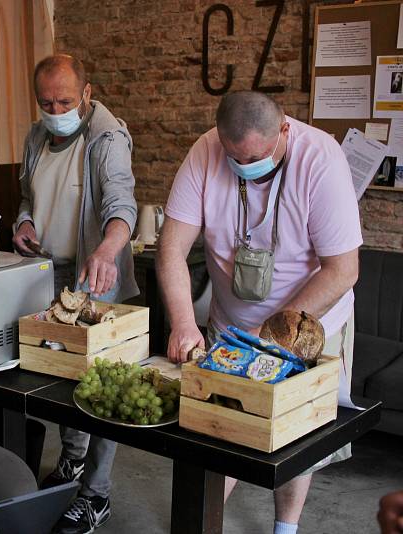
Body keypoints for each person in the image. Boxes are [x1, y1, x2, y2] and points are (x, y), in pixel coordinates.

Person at [157, 91, 361, 534]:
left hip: (307, 326)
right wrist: (184, 322)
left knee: (294, 431)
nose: (246, 165)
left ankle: (285, 527)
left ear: (285, 130)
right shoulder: (205, 151)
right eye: (235, 157)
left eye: (259, 156)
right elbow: (171, 249)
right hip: (230, 323)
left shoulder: (322, 160)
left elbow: (343, 270)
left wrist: (270, 338)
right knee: (218, 428)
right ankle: (201, 524)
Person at [12, 54, 139, 534]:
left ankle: (97, 495)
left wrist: (107, 251)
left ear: (87, 93)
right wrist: (24, 221)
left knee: (101, 391)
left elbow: (121, 200)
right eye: (46, 101)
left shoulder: (106, 138)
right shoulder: (35, 136)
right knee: (61, 379)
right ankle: (71, 463)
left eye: (65, 100)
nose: (55, 108)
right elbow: (29, 195)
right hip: (48, 273)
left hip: (97, 275)